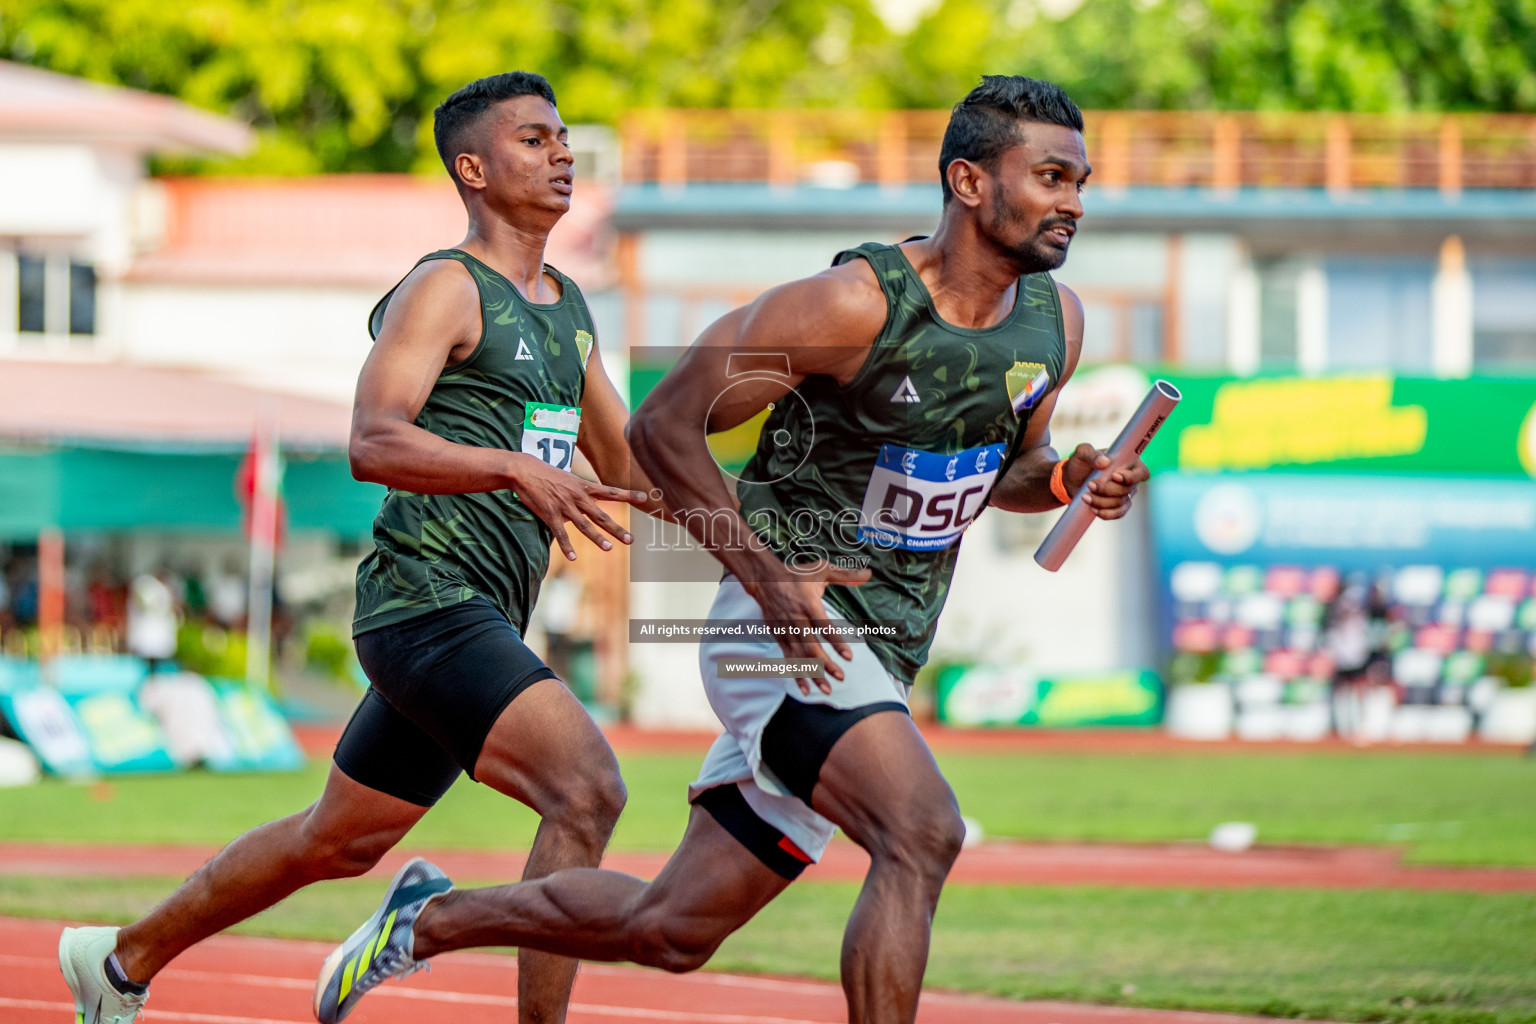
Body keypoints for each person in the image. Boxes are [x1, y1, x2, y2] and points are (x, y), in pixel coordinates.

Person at [316, 75, 1148, 1024]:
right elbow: (669, 426)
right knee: (921, 833)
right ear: (967, 181)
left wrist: (1067, 478)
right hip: (786, 628)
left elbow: (1009, 465)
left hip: (881, 649)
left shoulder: (1055, 323)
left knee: (671, 930)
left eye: (1081, 180)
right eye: (1050, 177)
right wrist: (763, 577)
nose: (1074, 202)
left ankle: (430, 921)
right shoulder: (848, 306)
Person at [59, 70, 653, 1024]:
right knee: (586, 791)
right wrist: (516, 467)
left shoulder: (568, 308)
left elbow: (638, 467)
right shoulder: (446, 287)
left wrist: (779, 537)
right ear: (473, 168)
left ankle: (119, 960)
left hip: (478, 616)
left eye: (564, 139)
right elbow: (373, 440)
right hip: (424, 602)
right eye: (535, 140)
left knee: (334, 843)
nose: (564, 154)